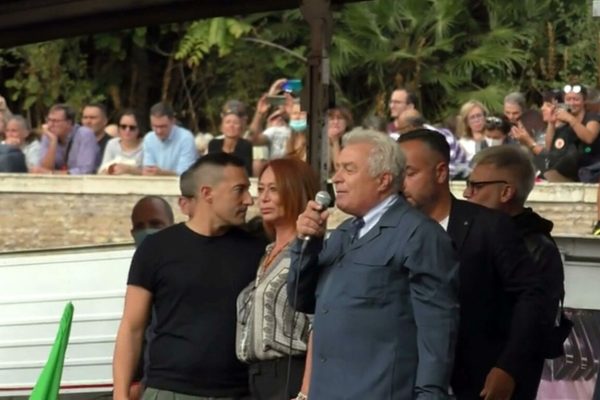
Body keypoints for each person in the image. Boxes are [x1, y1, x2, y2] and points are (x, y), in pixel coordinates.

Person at [288, 128, 460, 399]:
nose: (336, 178)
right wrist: (306, 245)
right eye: (337, 168)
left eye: (349, 169)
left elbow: (437, 333)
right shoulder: (344, 232)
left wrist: (429, 394)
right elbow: (301, 299)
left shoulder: (419, 234)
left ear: (383, 180)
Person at [398, 130, 547, 400]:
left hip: (473, 382)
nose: (401, 185)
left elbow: (531, 296)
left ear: (441, 172)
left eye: (409, 173)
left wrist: (507, 368)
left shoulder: (489, 226)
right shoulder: (391, 230)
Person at [113, 153, 265, 400]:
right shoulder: (156, 249)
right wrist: (119, 395)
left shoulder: (258, 249)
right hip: (169, 391)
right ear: (207, 193)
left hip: (239, 392)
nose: (249, 200)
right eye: (240, 190)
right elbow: (131, 327)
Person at [465, 145, 567, 392]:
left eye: (476, 186)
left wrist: (507, 367)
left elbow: (536, 319)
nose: (467, 193)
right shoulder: (473, 233)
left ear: (506, 192)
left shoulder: (537, 247)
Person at [236, 157, 319, 399]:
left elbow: (318, 325)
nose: (264, 198)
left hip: (289, 374)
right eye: (261, 189)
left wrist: (305, 392)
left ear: (295, 191)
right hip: (256, 377)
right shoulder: (267, 252)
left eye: (274, 189)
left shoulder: (308, 251)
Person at [128, 195, 175, 400]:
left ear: (172, 227)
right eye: (140, 226)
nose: (147, 231)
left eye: (155, 224)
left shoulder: (186, 272)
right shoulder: (137, 277)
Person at [543, 84, 600, 182]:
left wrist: (571, 119)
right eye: (568, 99)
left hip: (590, 168)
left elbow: (589, 138)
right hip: (569, 172)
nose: (572, 103)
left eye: (576, 99)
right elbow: (549, 147)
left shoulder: (592, 118)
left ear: (584, 101)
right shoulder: (563, 122)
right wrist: (551, 123)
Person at [36, 103, 99, 174]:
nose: (50, 125)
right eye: (49, 120)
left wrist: (55, 173)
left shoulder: (85, 134)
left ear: (69, 123)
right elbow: (44, 169)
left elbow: (85, 171)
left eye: (55, 121)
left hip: (85, 183)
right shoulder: (49, 135)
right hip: (56, 182)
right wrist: (53, 142)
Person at [142, 102, 197, 176]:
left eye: (163, 126)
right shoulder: (149, 138)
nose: (158, 131)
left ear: (173, 121)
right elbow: (149, 171)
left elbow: (185, 174)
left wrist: (161, 173)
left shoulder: (185, 138)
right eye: (155, 126)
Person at [208, 105, 253, 176]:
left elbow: (245, 171)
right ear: (221, 128)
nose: (231, 125)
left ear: (241, 128)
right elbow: (210, 168)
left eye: (235, 123)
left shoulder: (245, 145)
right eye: (228, 122)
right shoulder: (214, 144)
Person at [98, 110, 144, 175]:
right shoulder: (112, 144)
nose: (127, 130)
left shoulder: (146, 145)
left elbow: (150, 174)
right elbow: (102, 171)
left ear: (139, 128)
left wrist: (128, 169)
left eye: (132, 128)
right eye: (123, 127)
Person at [81, 103, 111, 170]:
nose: (88, 121)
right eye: (85, 117)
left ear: (105, 121)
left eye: (93, 118)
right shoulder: (75, 143)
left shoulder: (111, 145)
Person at [327, 106, 353, 173]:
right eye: (331, 119)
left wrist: (335, 141)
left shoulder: (352, 142)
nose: (335, 122)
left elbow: (339, 169)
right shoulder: (318, 142)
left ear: (347, 122)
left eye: (340, 118)